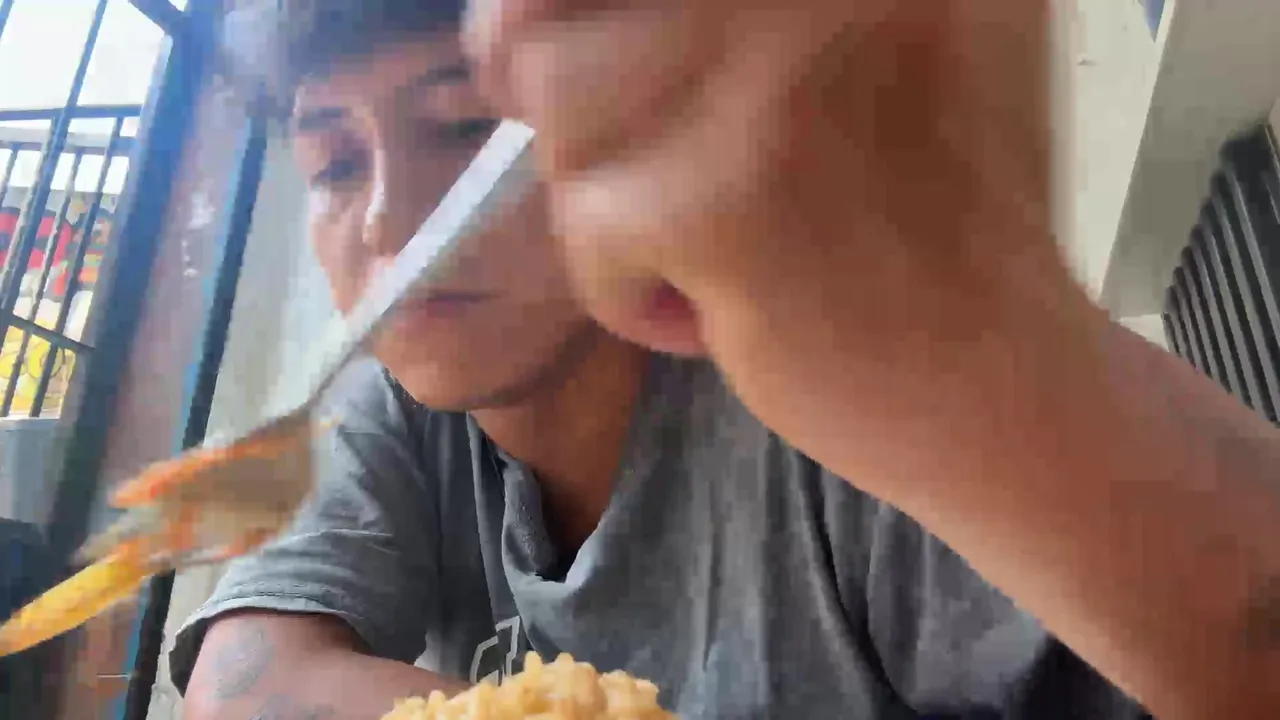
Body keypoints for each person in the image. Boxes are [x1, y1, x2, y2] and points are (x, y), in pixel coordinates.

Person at [172, 1, 1280, 718]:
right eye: (333, 165)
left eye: (463, 132)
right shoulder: (401, 415)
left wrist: (986, 339)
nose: (383, 223)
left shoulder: (823, 404)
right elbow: (241, 681)